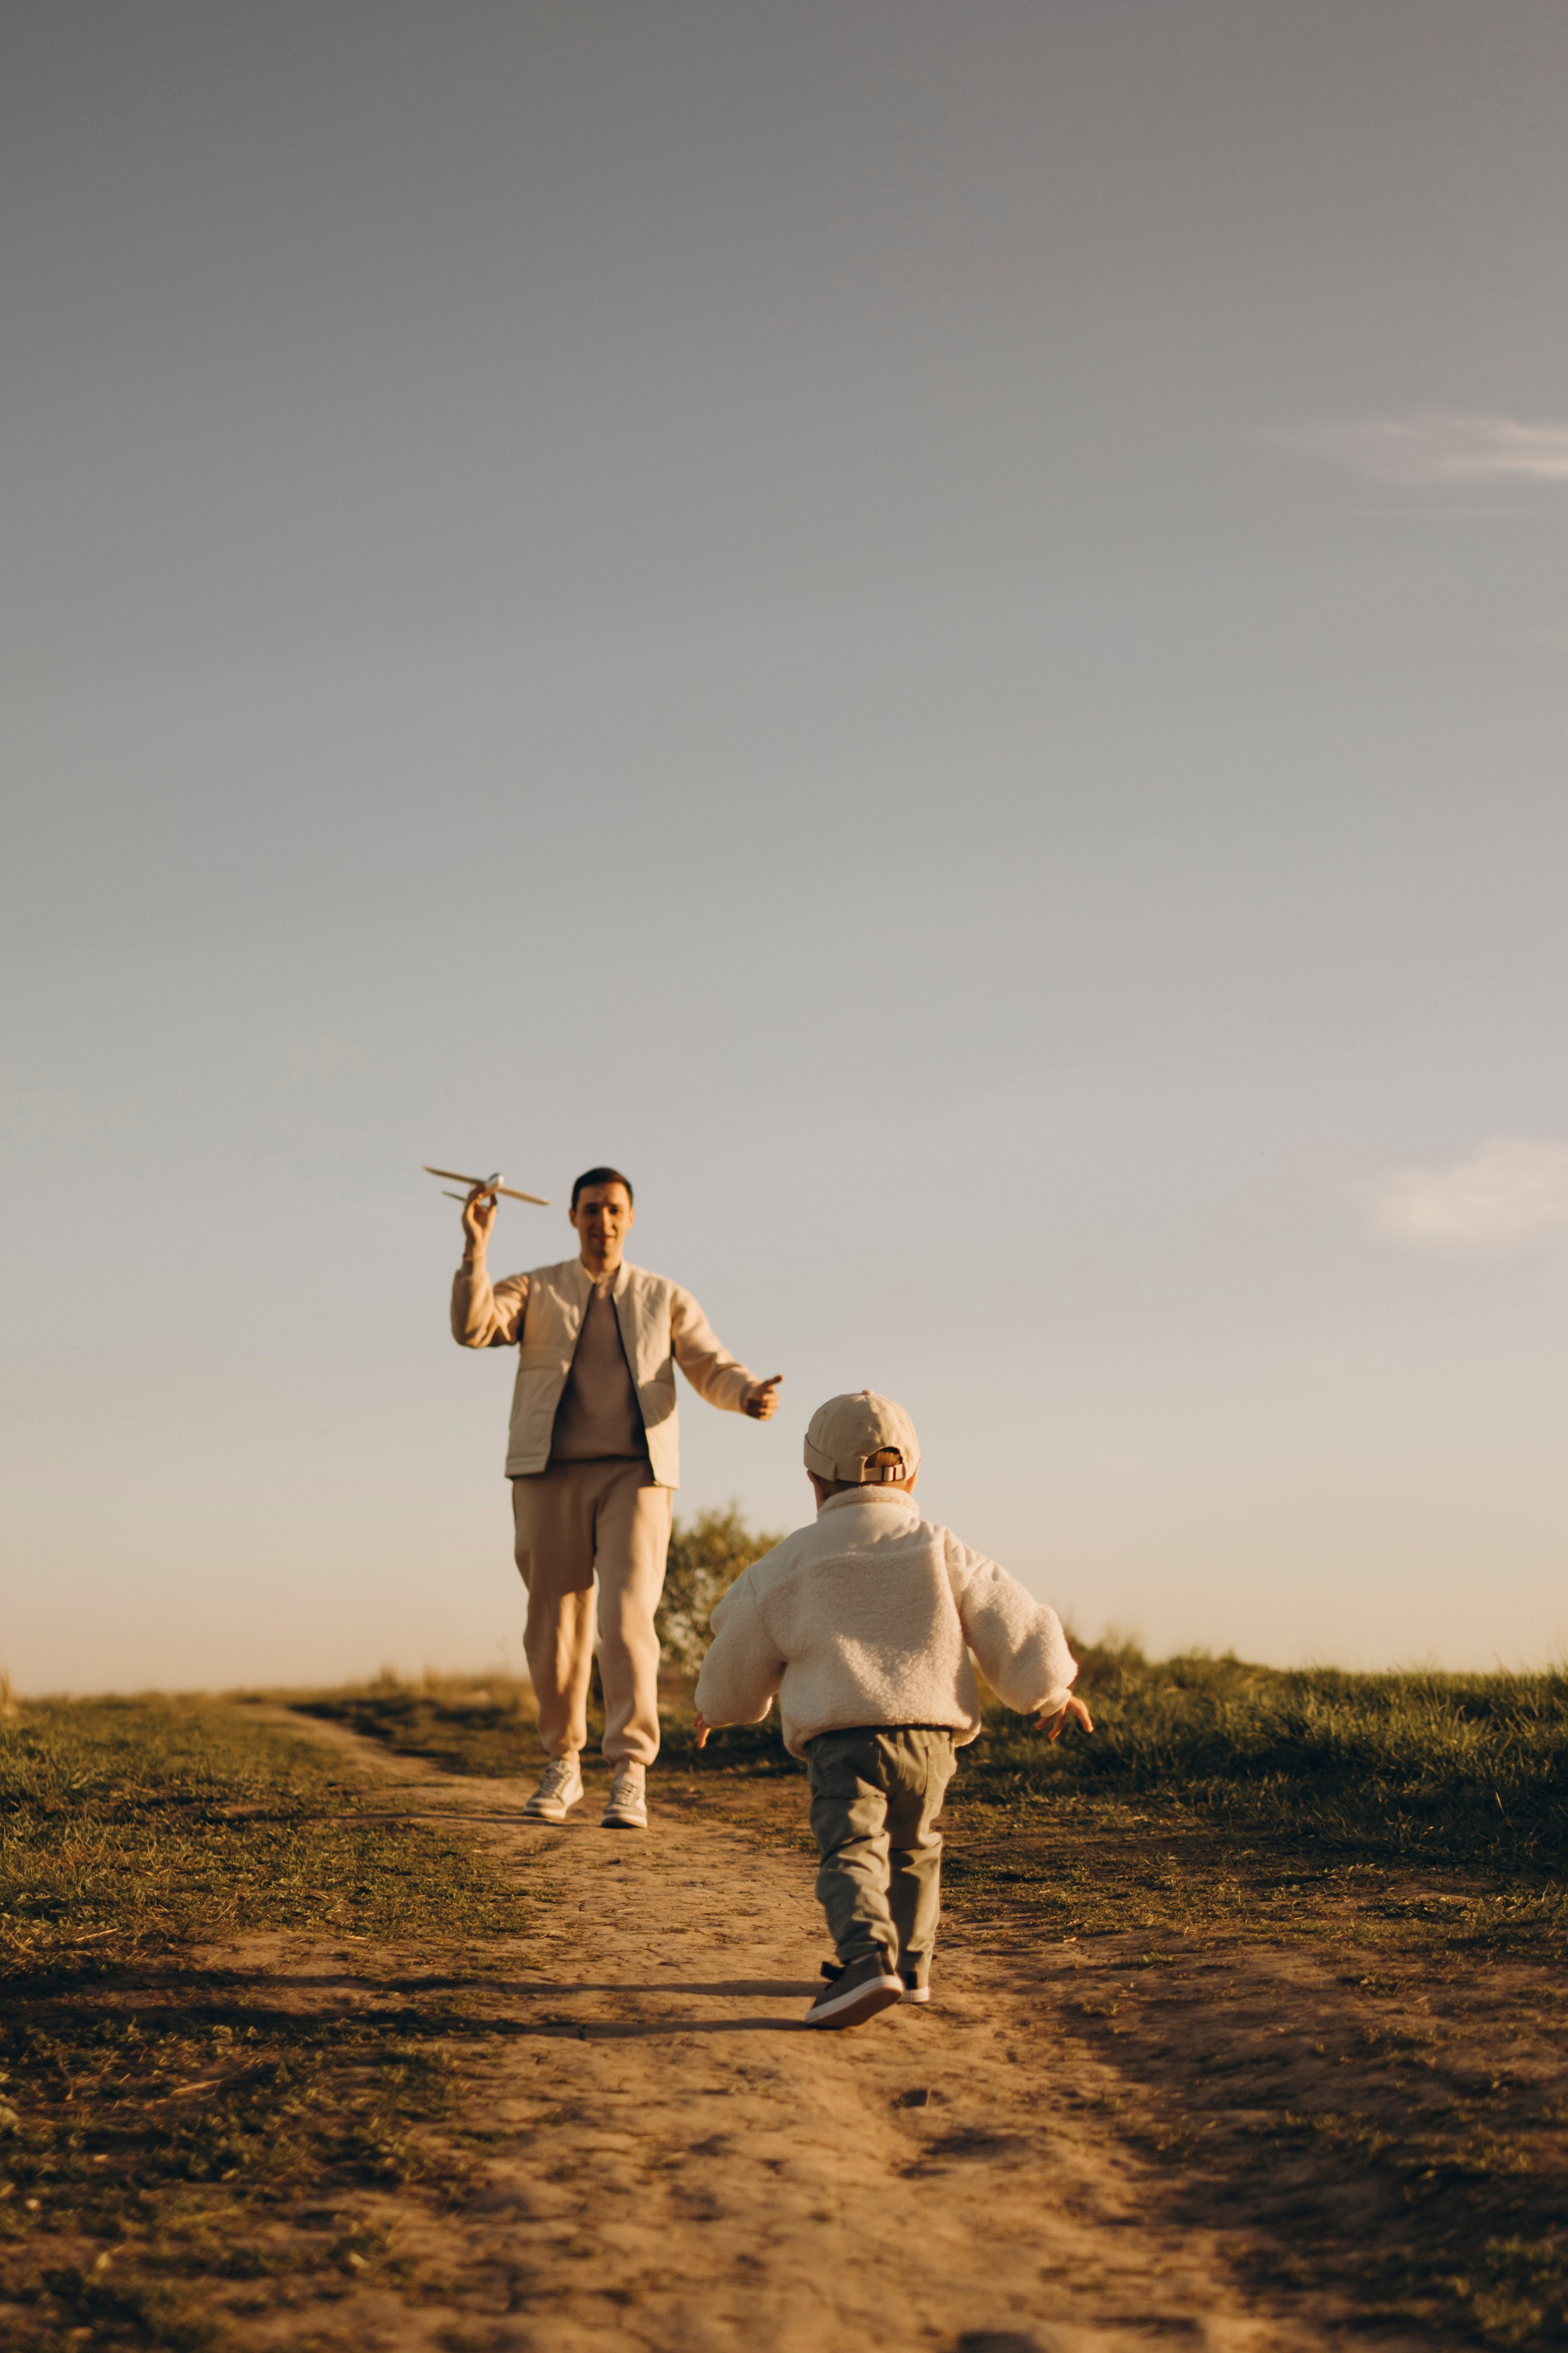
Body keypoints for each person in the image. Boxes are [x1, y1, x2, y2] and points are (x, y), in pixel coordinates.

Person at [692, 1389, 1092, 2030]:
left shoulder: (792, 1558)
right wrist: (1050, 1690)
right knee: (915, 1847)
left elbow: (740, 1632)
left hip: (842, 1735)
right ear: (911, 1472)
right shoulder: (939, 1545)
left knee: (851, 1848)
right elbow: (1005, 1613)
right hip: (929, 1738)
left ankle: (863, 1957)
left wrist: (718, 1705)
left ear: (814, 1479)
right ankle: (910, 1968)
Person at [451, 1166, 780, 1830]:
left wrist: (746, 1394)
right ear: (572, 1217)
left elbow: (710, 1364)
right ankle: (563, 1764)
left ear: (630, 1219)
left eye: (614, 1209)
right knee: (555, 1627)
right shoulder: (537, 1287)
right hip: (548, 1475)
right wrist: (476, 1246)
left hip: (637, 1477)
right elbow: (475, 1327)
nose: (602, 1220)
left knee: (627, 1623)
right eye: (591, 1209)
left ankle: (630, 1770)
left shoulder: (664, 1296)